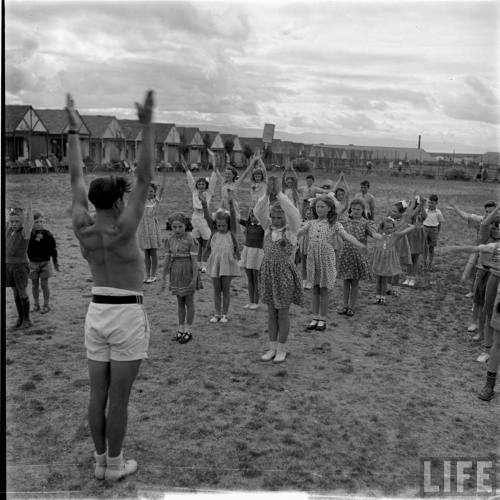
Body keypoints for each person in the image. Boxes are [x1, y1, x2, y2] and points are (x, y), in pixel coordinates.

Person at [66, 91, 154, 481]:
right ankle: (115, 466)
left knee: (96, 394)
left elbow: (75, 177)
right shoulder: (123, 227)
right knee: (119, 398)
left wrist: (72, 129)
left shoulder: (83, 225)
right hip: (126, 314)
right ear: (118, 200)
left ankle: (100, 460)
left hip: (96, 311)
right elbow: (146, 176)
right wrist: (147, 124)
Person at [253, 176, 303, 363]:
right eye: (273, 216)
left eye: (278, 217)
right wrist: (267, 195)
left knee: (282, 313)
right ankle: (272, 347)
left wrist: (280, 193)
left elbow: (293, 212)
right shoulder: (267, 228)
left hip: (283, 275)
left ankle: (282, 349)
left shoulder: (291, 230)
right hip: (267, 273)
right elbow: (258, 211)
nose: (275, 219)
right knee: (271, 313)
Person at [298, 195, 366, 330]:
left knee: (323, 290)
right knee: (315, 289)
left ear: (329, 208)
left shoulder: (334, 224)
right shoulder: (311, 223)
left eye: (322, 206)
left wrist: (359, 244)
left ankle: (322, 319)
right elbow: (297, 232)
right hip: (313, 259)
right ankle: (314, 317)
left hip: (326, 259)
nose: (319, 209)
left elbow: (346, 236)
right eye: (317, 206)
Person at [160, 212, 200, 344]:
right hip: (176, 272)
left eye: (180, 226)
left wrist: (194, 279)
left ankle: (188, 330)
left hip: (187, 271)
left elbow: (194, 261)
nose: (177, 229)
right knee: (180, 303)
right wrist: (163, 276)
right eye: (174, 227)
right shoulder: (170, 240)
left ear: (186, 226)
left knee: (189, 302)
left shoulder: (190, 239)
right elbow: (167, 259)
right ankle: (180, 329)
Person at [201, 190, 240, 323]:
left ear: (228, 224)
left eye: (223, 225)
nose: (221, 227)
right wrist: (204, 204)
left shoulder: (231, 232)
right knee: (217, 290)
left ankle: (225, 314)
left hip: (227, 264)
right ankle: (217, 313)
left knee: (226, 289)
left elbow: (233, 217)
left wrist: (231, 204)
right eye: (218, 225)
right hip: (216, 263)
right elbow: (207, 217)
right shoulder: (214, 232)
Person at [446, 200, 497, 301]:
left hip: (492, 253)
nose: (488, 214)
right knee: (474, 271)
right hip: (478, 249)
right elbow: (466, 216)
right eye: (486, 211)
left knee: (491, 274)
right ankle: (473, 291)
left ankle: (487, 293)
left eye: (491, 212)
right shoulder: (481, 220)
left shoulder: (498, 223)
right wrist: (455, 207)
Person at [337, 198, 379, 316]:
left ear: (362, 210)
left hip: (358, 256)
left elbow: (373, 234)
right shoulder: (345, 221)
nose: (355, 211)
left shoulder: (365, 223)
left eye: (358, 209)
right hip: (346, 254)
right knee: (346, 281)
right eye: (354, 209)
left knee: (354, 282)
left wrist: (382, 235)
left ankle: (352, 307)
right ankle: (345, 305)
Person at [181, 158, 218, 273]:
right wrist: (187, 169)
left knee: (207, 243)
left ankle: (204, 264)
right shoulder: (194, 191)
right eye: (199, 183)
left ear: (206, 185)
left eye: (203, 183)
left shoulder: (209, 192)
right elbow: (190, 179)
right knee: (197, 242)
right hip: (195, 217)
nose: (201, 185)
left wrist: (215, 168)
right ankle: (198, 264)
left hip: (204, 217)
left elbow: (213, 179)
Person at [372, 217, 415, 304]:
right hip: (379, 262)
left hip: (387, 263)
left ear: (394, 228)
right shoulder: (380, 236)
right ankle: (377, 297)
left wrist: (412, 227)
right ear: (382, 229)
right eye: (387, 228)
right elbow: (372, 232)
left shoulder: (395, 236)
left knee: (384, 280)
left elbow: (403, 232)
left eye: (391, 228)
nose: (389, 230)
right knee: (378, 280)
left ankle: (382, 297)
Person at [6, 202, 34, 329]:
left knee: (22, 292)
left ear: (21, 222)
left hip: (20, 267)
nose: (13, 224)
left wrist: (29, 208)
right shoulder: (8, 229)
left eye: (16, 222)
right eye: (12, 222)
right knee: (15, 292)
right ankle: (20, 318)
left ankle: (27, 320)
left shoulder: (24, 233)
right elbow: (7, 216)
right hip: (8, 266)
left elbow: (29, 222)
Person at [138, 167, 168, 283]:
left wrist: (164, 177)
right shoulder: (142, 200)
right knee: (146, 253)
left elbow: (163, 188)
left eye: (151, 191)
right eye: (147, 191)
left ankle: (154, 275)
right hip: (144, 228)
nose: (148, 193)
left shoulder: (156, 200)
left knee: (153, 252)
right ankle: (147, 274)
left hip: (153, 227)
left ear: (154, 192)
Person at [28, 211, 60, 313]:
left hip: (45, 262)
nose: (39, 223)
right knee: (34, 285)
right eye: (36, 221)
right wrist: (34, 239)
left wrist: (55, 262)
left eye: (41, 221)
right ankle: (36, 304)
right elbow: (26, 249)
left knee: (44, 284)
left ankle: (46, 305)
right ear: (32, 223)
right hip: (33, 263)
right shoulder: (29, 235)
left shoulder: (48, 234)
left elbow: (53, 249)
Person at [239, 209, 265, 309]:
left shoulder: (263, 227)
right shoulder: (248, 224)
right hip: (247, 252)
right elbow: (236, 219)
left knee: (256, 279)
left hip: (258, 253)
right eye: (252, 216)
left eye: (256, 216)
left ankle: (256, 302)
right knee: (249, 279)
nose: (254, 218)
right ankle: (250, 301)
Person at [403, 195, 428, 287]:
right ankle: (407, 277)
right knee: (410, 257)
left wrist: (422, 206)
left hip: (419, 234)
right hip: (410, 234)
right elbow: (412, 216)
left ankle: (412, 278)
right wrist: (420, 205)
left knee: (415, 258)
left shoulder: (421, 210)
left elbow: (425, 217)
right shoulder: (410, 211)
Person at [422, 194, 444, 271]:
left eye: (432, 203)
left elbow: (440, 223)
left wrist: (437, 232)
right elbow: (422, 220)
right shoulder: (425, 211)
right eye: (429, 202)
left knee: (431, 248)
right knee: (424, 247)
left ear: (436, 203)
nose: (430, 204)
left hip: (434, 230)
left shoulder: (438, 212)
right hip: (425, 228)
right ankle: (424, 263)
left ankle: (430, 264)